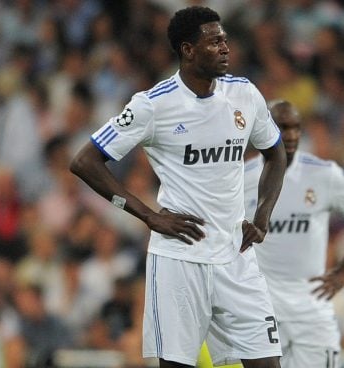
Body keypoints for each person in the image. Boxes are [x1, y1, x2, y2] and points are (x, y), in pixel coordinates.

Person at [69, 6, 286, 368]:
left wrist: (262, 218)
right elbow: (84, 162)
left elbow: (276, 154)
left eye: (225, 40)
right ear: (188, 50)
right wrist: (148, 216)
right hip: (179, 259)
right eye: (214, 41)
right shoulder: (153, 105)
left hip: (236, 256)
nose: (225, 48)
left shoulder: (244, 94)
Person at [244, 100, 344, 368]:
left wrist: (342, 273)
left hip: (311, 306)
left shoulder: (325, 175)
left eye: (296, 128)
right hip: (262, 307)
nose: (291, 135)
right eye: (282, 128)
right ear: (264, 129)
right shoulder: (242, 179)